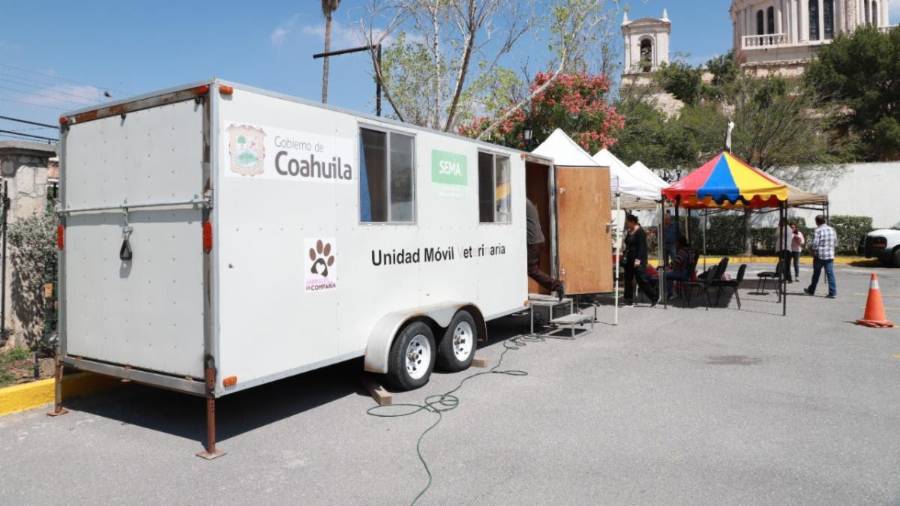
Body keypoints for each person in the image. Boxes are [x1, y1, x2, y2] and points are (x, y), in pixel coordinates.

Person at [526, 199, 564, 300]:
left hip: (532, 241)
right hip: (538, 240)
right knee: (529, 269)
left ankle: (557, 285)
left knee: (531, 269)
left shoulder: (518, 200)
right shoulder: (528, 202)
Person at [622, 214, 656, 306]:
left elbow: (642, 248)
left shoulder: (640, 232)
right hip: (629, 259)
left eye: (627, 222)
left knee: (641, 279)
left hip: (638, 260)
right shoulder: (630, 231)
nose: (626, 224)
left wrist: (638, 260)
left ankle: (654, 297)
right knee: (628, 279)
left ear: (633, 222)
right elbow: (627, 243)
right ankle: (628, 299)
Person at [804, 215, 837, 298]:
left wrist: (812, 250)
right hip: (829, 255)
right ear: (824, 220)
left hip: (820, 255)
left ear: (817, 222)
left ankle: (811, 290)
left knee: (816, 274)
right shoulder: (832, 229)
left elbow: (815, 244)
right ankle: (832, 292)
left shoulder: (818, 230)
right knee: (830, 274)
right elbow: (835, 242)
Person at [665, 236, 694, 300]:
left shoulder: (682, 252)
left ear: (679, 243)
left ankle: (671, 293)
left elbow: (676, 264)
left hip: (682, 273)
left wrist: (670, 267)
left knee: (666, 275)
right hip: (688, 273)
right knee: (670, 274)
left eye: (676, 243)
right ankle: (674, 292)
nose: (675, 244)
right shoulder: (690, 251)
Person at [774, 218, 793, 283]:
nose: (779, 223)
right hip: (786, 249)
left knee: (784, 264)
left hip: (783, 249)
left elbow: (776, 234)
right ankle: (788, 278)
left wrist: (779, 227)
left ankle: (787, 278)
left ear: (783, 222)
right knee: (786, 265)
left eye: (780, 222)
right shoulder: (787, 229)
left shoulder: (783, 228)